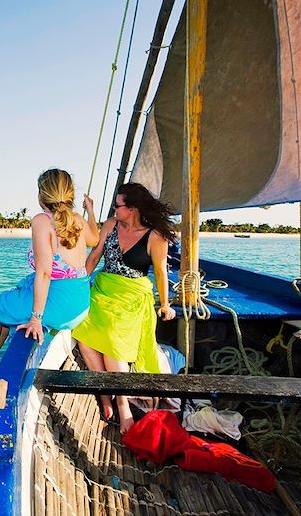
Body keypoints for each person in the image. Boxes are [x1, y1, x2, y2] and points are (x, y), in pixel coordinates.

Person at [0, 168, 99, 382]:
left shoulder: (42, 221)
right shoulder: (78, 219)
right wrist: (90, 211)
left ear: (42, 195)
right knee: (18, 291)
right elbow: (94, 239)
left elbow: (44, 273)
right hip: (79, 303)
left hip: (59, 304)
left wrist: (36, 318)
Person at [72, 182, 177, 433]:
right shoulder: (110, 225)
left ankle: (123, 408)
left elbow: (161, 273)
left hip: (131, 296)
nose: (114, 209)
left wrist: (165, 305)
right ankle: (104, 396)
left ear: (132, 208)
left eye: (117, 205)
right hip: (103, 290)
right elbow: (95, 256)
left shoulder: (155, 236)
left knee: (113, 347)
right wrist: (78, 287)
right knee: (84, 339)